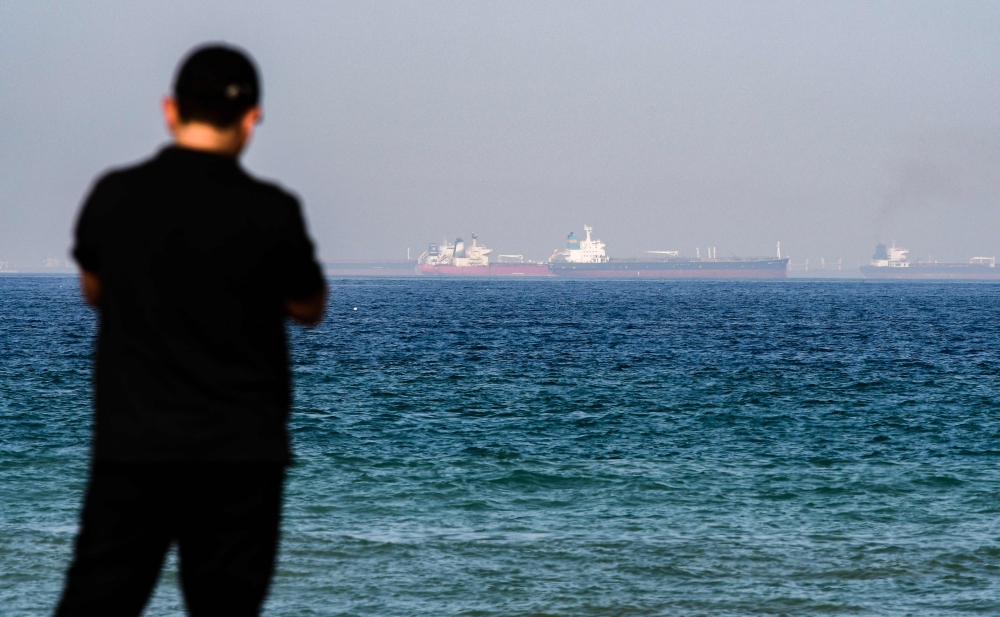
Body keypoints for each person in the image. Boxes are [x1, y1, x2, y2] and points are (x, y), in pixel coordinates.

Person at [55, 43, 326, 616]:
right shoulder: (273, 210)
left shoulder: (115, 195)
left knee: (95, 603)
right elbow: (309, 306)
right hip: (241, 458)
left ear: (169, 110)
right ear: (252, 118)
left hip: (133, 449)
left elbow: (93, 289)